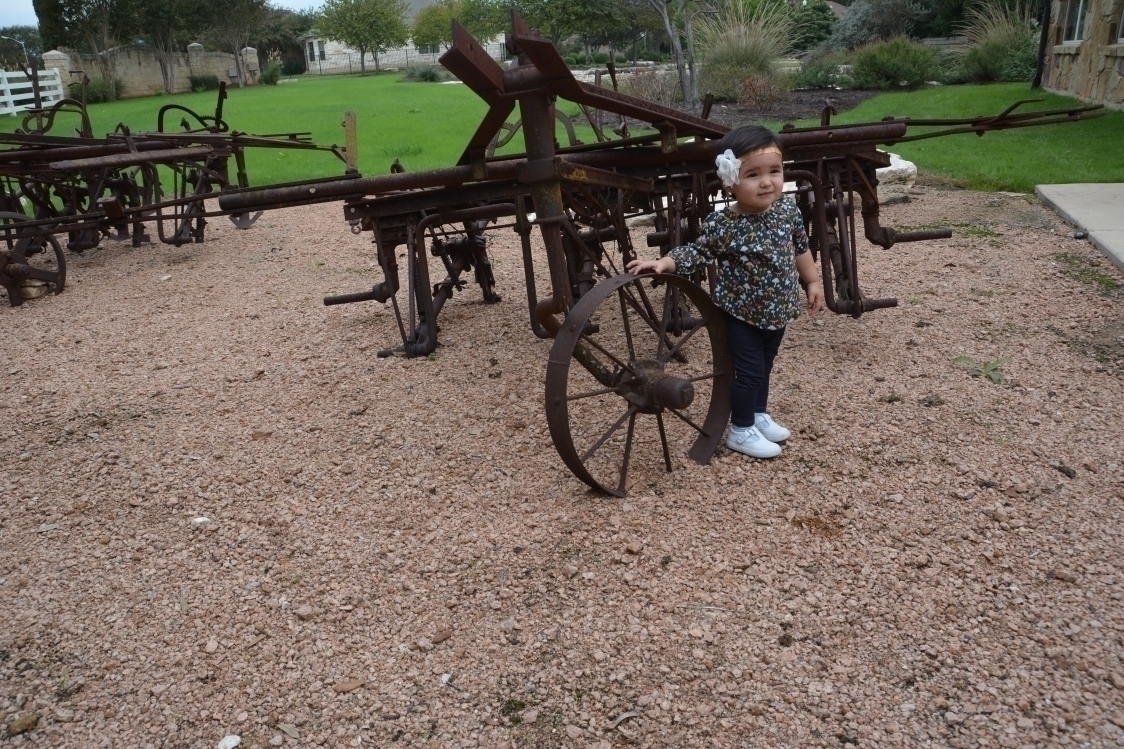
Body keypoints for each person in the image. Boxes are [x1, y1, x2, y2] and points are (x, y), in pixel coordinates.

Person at [626, 125, 824, 459]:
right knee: (749, 372)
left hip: (778, 310)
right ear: (730, 182)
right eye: (753, 175)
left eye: (774, 172)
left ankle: (757, 414)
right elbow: (698, 252)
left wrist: (813, 282)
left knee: (765, 365)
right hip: (741, 315)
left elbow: (801, 250)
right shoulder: (724, 224)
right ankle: (740, 430)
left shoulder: (787, 211)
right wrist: (666, 261)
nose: (766, 182)